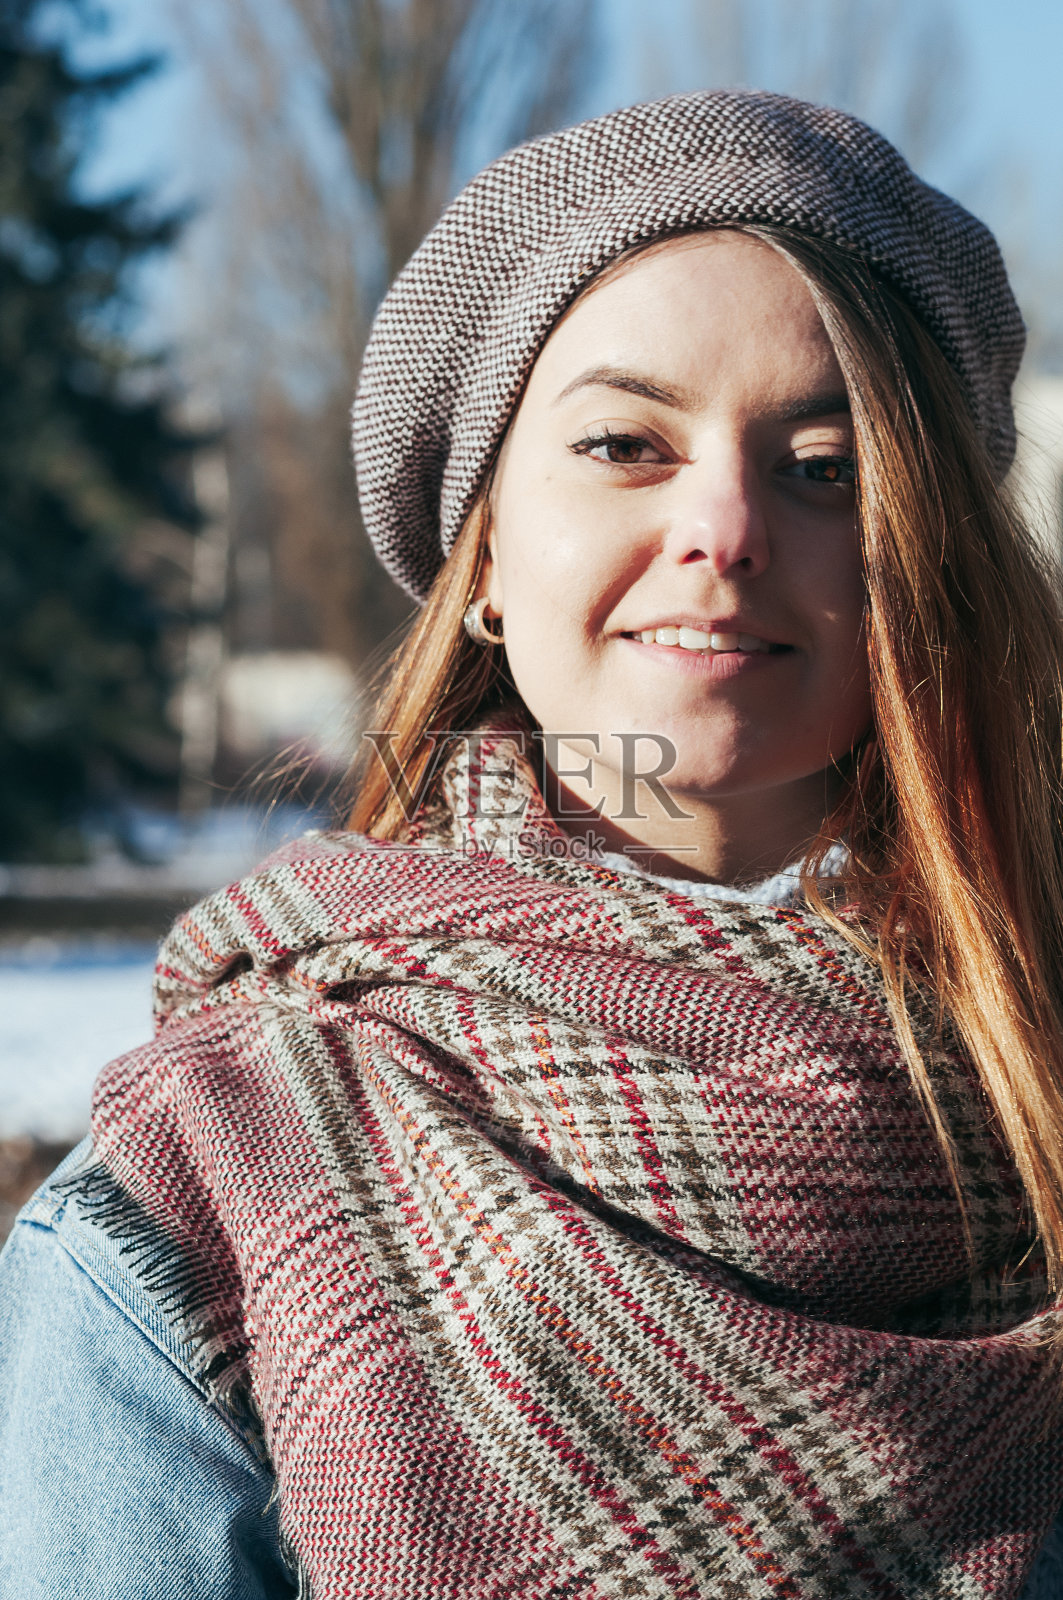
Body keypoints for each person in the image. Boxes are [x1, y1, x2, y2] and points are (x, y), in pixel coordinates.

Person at [2, 89, 1063, 1600]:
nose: (727, 528)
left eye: (825, 465)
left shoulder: (1040, 1092)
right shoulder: (206, 1188)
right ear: (486, 547)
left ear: (927, 560)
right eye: (627, 443)